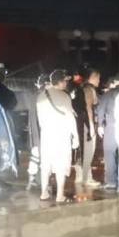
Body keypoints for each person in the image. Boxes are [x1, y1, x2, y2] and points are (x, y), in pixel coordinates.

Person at [36, 69, 78, 202]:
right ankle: (60, 195)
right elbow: (71, 118)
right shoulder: (64, 96)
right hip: (61, 136)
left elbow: (40, 120)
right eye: (64, 81)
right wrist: (75, 137)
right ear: (59, 82)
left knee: (46, 165)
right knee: (61, 165)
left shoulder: (41, 96)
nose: (66, 83)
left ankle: (44, 193)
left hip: (46, 135)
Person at [97, 74, 119, 190]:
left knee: (109, 153)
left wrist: (100, 125)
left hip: (111, 127)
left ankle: (111, 181)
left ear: (115, 82)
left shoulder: (108, 94)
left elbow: (100, 109)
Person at [76, 68, 100, 186]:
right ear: (93, 77)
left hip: (80, 122)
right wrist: (91, 125)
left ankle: (80, 176)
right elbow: (89, 107)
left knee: (82, 149)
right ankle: (87, 178)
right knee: (89, 150)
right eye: (98, 78)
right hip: (87, 123)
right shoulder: (89, 90)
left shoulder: (80, 88)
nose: (99, 81)